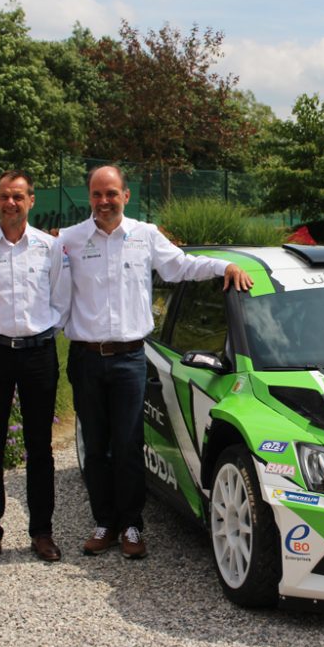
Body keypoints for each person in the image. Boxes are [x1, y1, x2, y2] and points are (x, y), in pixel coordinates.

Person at [60, 165, 253, 559]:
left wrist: (224, 266)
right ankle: (104, 522)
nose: (104, 201)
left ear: (126, 196)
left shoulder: (145, 235)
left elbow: (181, 266)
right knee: (96, 447)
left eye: (111, 193)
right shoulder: (70, 240)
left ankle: (131, 526)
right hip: (86, 358)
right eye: (97, 194)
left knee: (129, 446)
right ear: (89, 198)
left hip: (131, 358)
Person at [0, 170, 70, 566]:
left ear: (31, 201)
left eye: (18, 197)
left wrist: (38, 338)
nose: (11, 203)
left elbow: (62, 300)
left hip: (38, 354)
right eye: (5, 196)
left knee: (40, 446)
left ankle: (42, 531)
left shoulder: (50, 248)